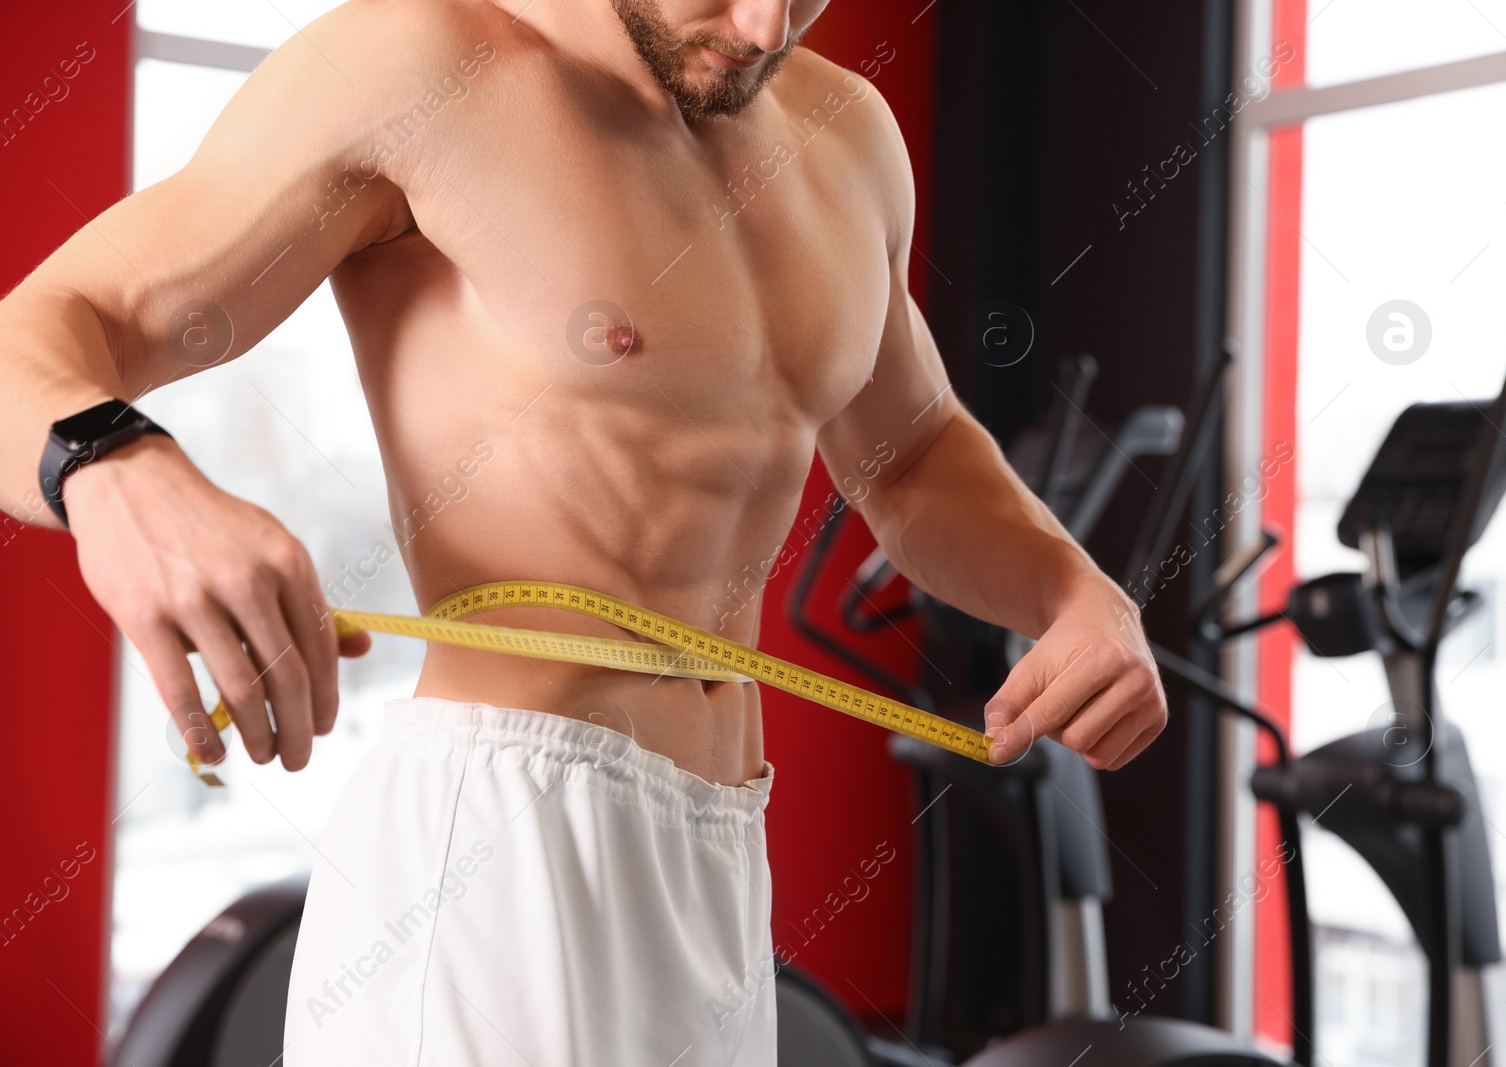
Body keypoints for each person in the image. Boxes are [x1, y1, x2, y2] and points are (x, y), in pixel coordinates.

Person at [0, 0, 1168, 1062]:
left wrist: (1072, 589)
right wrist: (113, 468)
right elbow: (47, 331)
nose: (765, 28)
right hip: (497, 846)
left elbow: (910, 453)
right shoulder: (424, 62)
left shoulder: (844, 131)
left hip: (718, 848)